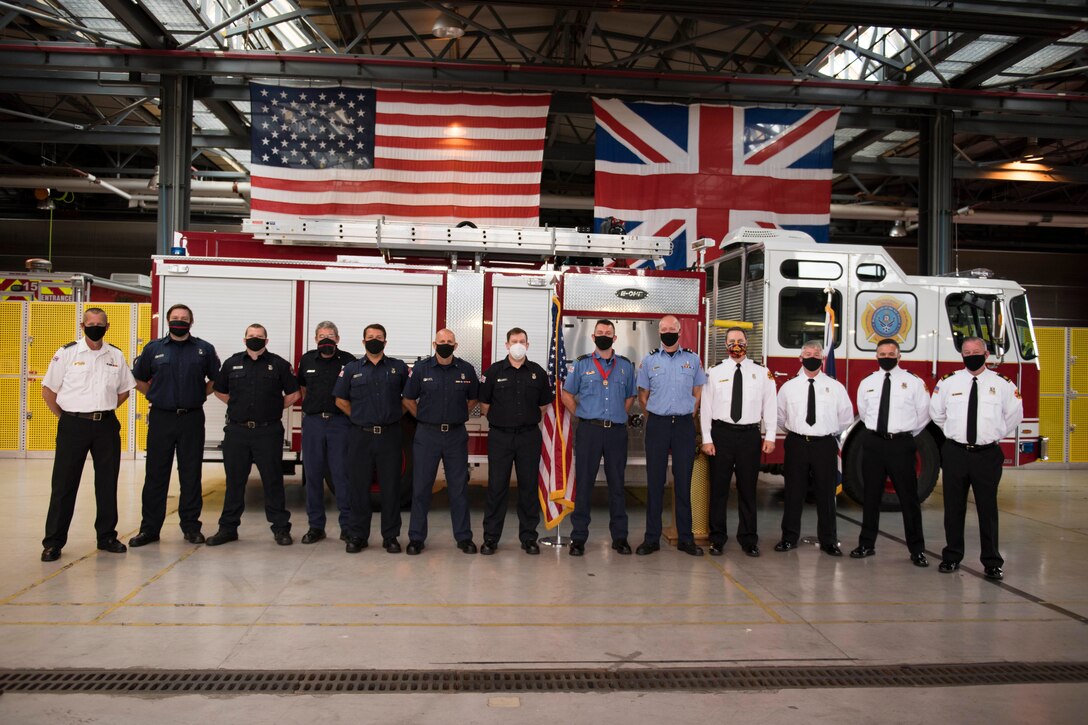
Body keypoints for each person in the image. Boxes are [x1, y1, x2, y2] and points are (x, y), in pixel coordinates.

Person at [40, 307, 137, 562]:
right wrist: (68, 418)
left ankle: (106, 536)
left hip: (105, 425)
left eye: (100, 323)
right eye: (90, 323)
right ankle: (53, 542)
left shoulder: (115, 354)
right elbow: (48, 391)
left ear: (107, 326)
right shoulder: (68, 353)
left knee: (107, 483)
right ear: (82, 326)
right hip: (73, 425)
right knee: (64, 485)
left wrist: (102, 411)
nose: (95, 327)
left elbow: (125, 390)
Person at [930, 336, 1023, 580]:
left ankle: (992, 561)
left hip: (987, 455)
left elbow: (1014, 414)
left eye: (976, 351)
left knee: (987, 509)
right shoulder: (948, 382)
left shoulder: (1002, 384)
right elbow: (936, 414)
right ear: (961, 355)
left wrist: (993, 434)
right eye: (967, 351)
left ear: (987, 354)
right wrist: (954, 434)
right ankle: (951, 556)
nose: (971, 355)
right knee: (953, 508)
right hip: (955, 452)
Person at [129, 303, 220, 548]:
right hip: (161, 417)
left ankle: (191, 527)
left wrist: (199, 394)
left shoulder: (204, 349)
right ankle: (149, 529)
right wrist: (155, 393)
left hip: (191, 418)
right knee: (156, 475)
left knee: (191, 475)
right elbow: (137, 377)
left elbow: (217, 379)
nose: (179, 321)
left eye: (184, 318)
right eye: (175, 317)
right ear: (168, 321)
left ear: (192, 322)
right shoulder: (154, 349)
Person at [206, 324, 300, 547]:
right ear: (244, 339)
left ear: (266, 341)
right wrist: (236, 405)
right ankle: (227, 529)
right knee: (235, 482)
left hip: (268, 431)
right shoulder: (232, 363)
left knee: (273, 481)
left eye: (259, 337)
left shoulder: (278, 364)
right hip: (237, 431)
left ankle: (280, 529)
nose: (255, 339)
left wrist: (275, 408)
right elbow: (219, 389)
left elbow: (295, 393)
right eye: (251, 336)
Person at [851, 338, 931, 567]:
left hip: (901, 445)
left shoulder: (913, 382)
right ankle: (866, 544)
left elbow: (923, 415)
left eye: (891, 354)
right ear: (876, 356)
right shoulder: (868, 382)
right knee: (871, 497)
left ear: (899, 356)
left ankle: (917, 550)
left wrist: (902, 433)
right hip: (874, 443)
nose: (886, 357)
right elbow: (865, 414)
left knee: (909, 499)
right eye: (882, 354)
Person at [561, 319, 637, 557]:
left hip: (615, 431)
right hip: (589, 431)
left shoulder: (625, 366)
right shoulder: (581, 365)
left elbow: (630, 397)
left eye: (609, 333)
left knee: (617, 485)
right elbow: (567, 394)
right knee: (584, 484)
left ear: (615, 338)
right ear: (593, 337)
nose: (604, 335)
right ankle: (579, 538)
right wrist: (583, 414)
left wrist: (616, 415)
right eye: (600, 332)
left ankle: (620, 537)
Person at [699, 326, 777, 557]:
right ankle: (717, 538)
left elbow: (770, 406)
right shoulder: (714, 372)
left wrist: (770, 435)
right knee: (718, 490)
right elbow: (706, 408)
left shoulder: (762, 373)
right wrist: (707, 438)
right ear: (725, 345)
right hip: (721, 435)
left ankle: (748, 539)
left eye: (740, 340)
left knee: (747, 490)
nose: (736, 344)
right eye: (731, 340)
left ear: (747, 343)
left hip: (749, 436)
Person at [333, 323, 409, 554]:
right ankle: (357, 536)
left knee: (391, 488)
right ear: (363, 341)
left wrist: (395, 416)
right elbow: (340, 400)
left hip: (390, 436)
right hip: (360, 436)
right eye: (370, 337)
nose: (374, 340)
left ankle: (391, 536)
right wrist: (358, 417)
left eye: (379, 337)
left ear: (385, 342)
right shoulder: (351, 368)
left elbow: (409, 399)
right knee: (358, 487)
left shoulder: (398, 368)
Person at [402, 328, 479, 555]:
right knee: (421, 488)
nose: (445, 344)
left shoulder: (466, 369)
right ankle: (416, 538)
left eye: (449, 341)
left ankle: (464, 537)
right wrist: (423, 418)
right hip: (427, 435)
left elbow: (474, 398)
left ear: (456, 346)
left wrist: (459, 415)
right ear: (434, 344)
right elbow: (407, 398)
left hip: (456, 435)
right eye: (441, 341)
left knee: (458, 489)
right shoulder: (421, 369)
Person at [775, 340, 853, 556]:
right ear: (800, 358)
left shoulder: (835, 387)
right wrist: (799, 432)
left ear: (822, 359)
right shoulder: (788, 387)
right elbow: (780, 417)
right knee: (793, 492)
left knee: (826, 494)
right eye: (807, 353)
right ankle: (789, 538)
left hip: (824, 444)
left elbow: (845, 417)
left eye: (816, 354)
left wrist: (824, 431)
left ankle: (829, 540)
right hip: (797, 442)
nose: (812, 357)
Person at [636, 315, 706, 556]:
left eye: (672, 329)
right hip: (658, 425)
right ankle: (651, 538)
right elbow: (642, 394)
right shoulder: (649, 360)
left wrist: (691, 412)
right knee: (654, 482)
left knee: (683, 481)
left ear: (679, 332)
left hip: (684, 426)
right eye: (664, 329)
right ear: (659, 333)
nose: (668, 332)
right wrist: (653, 416)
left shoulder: (693, 360)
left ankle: (686, 539)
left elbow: (698, 390)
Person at [478, 327, 552, 556]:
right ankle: (491, 538)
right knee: (496, 488)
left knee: (528, 488)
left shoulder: (538, 373)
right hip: (500, 437)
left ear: (527, 345)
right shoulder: (493, 372)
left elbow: (543, 406)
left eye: (522, 341)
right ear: (507, 345)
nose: (518, 344)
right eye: (514, 341)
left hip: (529, 437)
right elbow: (484, 405)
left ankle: (529, 537)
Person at [296, 321, 356, 545]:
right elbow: (303, 389)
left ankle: (347, 527)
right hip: (313, 424)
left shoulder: (348, 361)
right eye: (321, 336)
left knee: (341, 476)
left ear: (338, 339)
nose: (326, 340)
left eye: (330, 335)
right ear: (315, 339)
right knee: (313, 476)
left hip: (339, 424)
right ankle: (316, 527)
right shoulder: (307, 359)